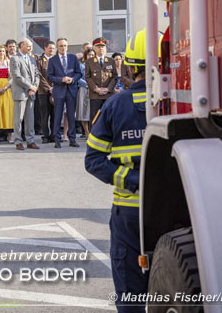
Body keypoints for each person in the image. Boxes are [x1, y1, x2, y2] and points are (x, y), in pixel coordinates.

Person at [85, 29, 149, 312]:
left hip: (129, 213)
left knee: (131, 297)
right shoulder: (183, 103)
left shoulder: (115, 105)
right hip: (177, 214)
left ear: (130, 67)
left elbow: (94, 160)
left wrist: (133, 181)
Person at [47, 38, 81, 148]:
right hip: (59, 90)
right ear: (57, 47)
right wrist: (61, 79)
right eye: (61, 46)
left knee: (71, 116)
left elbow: (78, 73)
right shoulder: (53, 60)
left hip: (71, 90)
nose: (63, 48)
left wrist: (73, 79)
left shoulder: (73, 58)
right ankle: (57, 139)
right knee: (58, 116)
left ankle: (72, 139)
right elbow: (50, 76)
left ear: (67, 46)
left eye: (65, 45)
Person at [10, 38, 40, 150]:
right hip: (20, 93)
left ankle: (30, 140)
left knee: (30, 118)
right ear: (21, 46)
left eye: (31, 46)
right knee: (19, 118)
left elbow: (37, 74)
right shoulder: (15, 59)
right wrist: (30, 86)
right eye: (28, 46)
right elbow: (17, 76)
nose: (30, 48)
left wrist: (34, 87)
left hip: (31, 93)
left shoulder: (32, 59)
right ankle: (18, 141)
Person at [85, 37, 116, 124]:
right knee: (94, 119)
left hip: (108, 95)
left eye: (103, 46)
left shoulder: (111, 61)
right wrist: (96, 89)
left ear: (105, 48)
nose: (101, 48)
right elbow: (87, 77)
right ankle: (93, 136)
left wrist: (108, 89)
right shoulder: (89, 62)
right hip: (95, 95)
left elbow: (114, 77)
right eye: (98, 47)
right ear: (95, 48)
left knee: (110, 118)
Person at [36, 40, 55, 144]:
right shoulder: (39, 60)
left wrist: (55, 88)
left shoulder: (57, 60)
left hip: (56, 91)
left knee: (55, 114)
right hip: (43, 92)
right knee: (44, 114)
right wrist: (49, 88)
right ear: (45, 48)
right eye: (50, 48)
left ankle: (54, 135)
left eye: (53, 48)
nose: (51, 50)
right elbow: (39, 76)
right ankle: (45, 135)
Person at [77, 48, 95, 137]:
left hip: (95, 91)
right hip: (84, 89)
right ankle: (87, 132)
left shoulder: (97, 65)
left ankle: (93, 132)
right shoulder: (81, 66)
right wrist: (87, 85)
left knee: (93, 112)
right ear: (86, 56)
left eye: (92, 55)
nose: (91, 56)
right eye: (89, 55)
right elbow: (78, 78)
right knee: (84, 112)